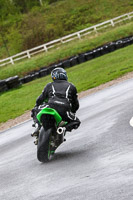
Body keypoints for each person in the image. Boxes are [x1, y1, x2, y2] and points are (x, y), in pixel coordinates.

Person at [31, 67, 81, 137]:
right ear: (65, 75)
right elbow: (75, 104)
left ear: (53, 77)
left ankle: (37, 126)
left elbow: (40, 99)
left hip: (51, 106)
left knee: (34, 110)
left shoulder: (49, 85)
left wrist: (37, 105)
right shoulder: (71, 86)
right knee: (76, 121)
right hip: (64, 110)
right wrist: (72, 111)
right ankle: (63, 129)